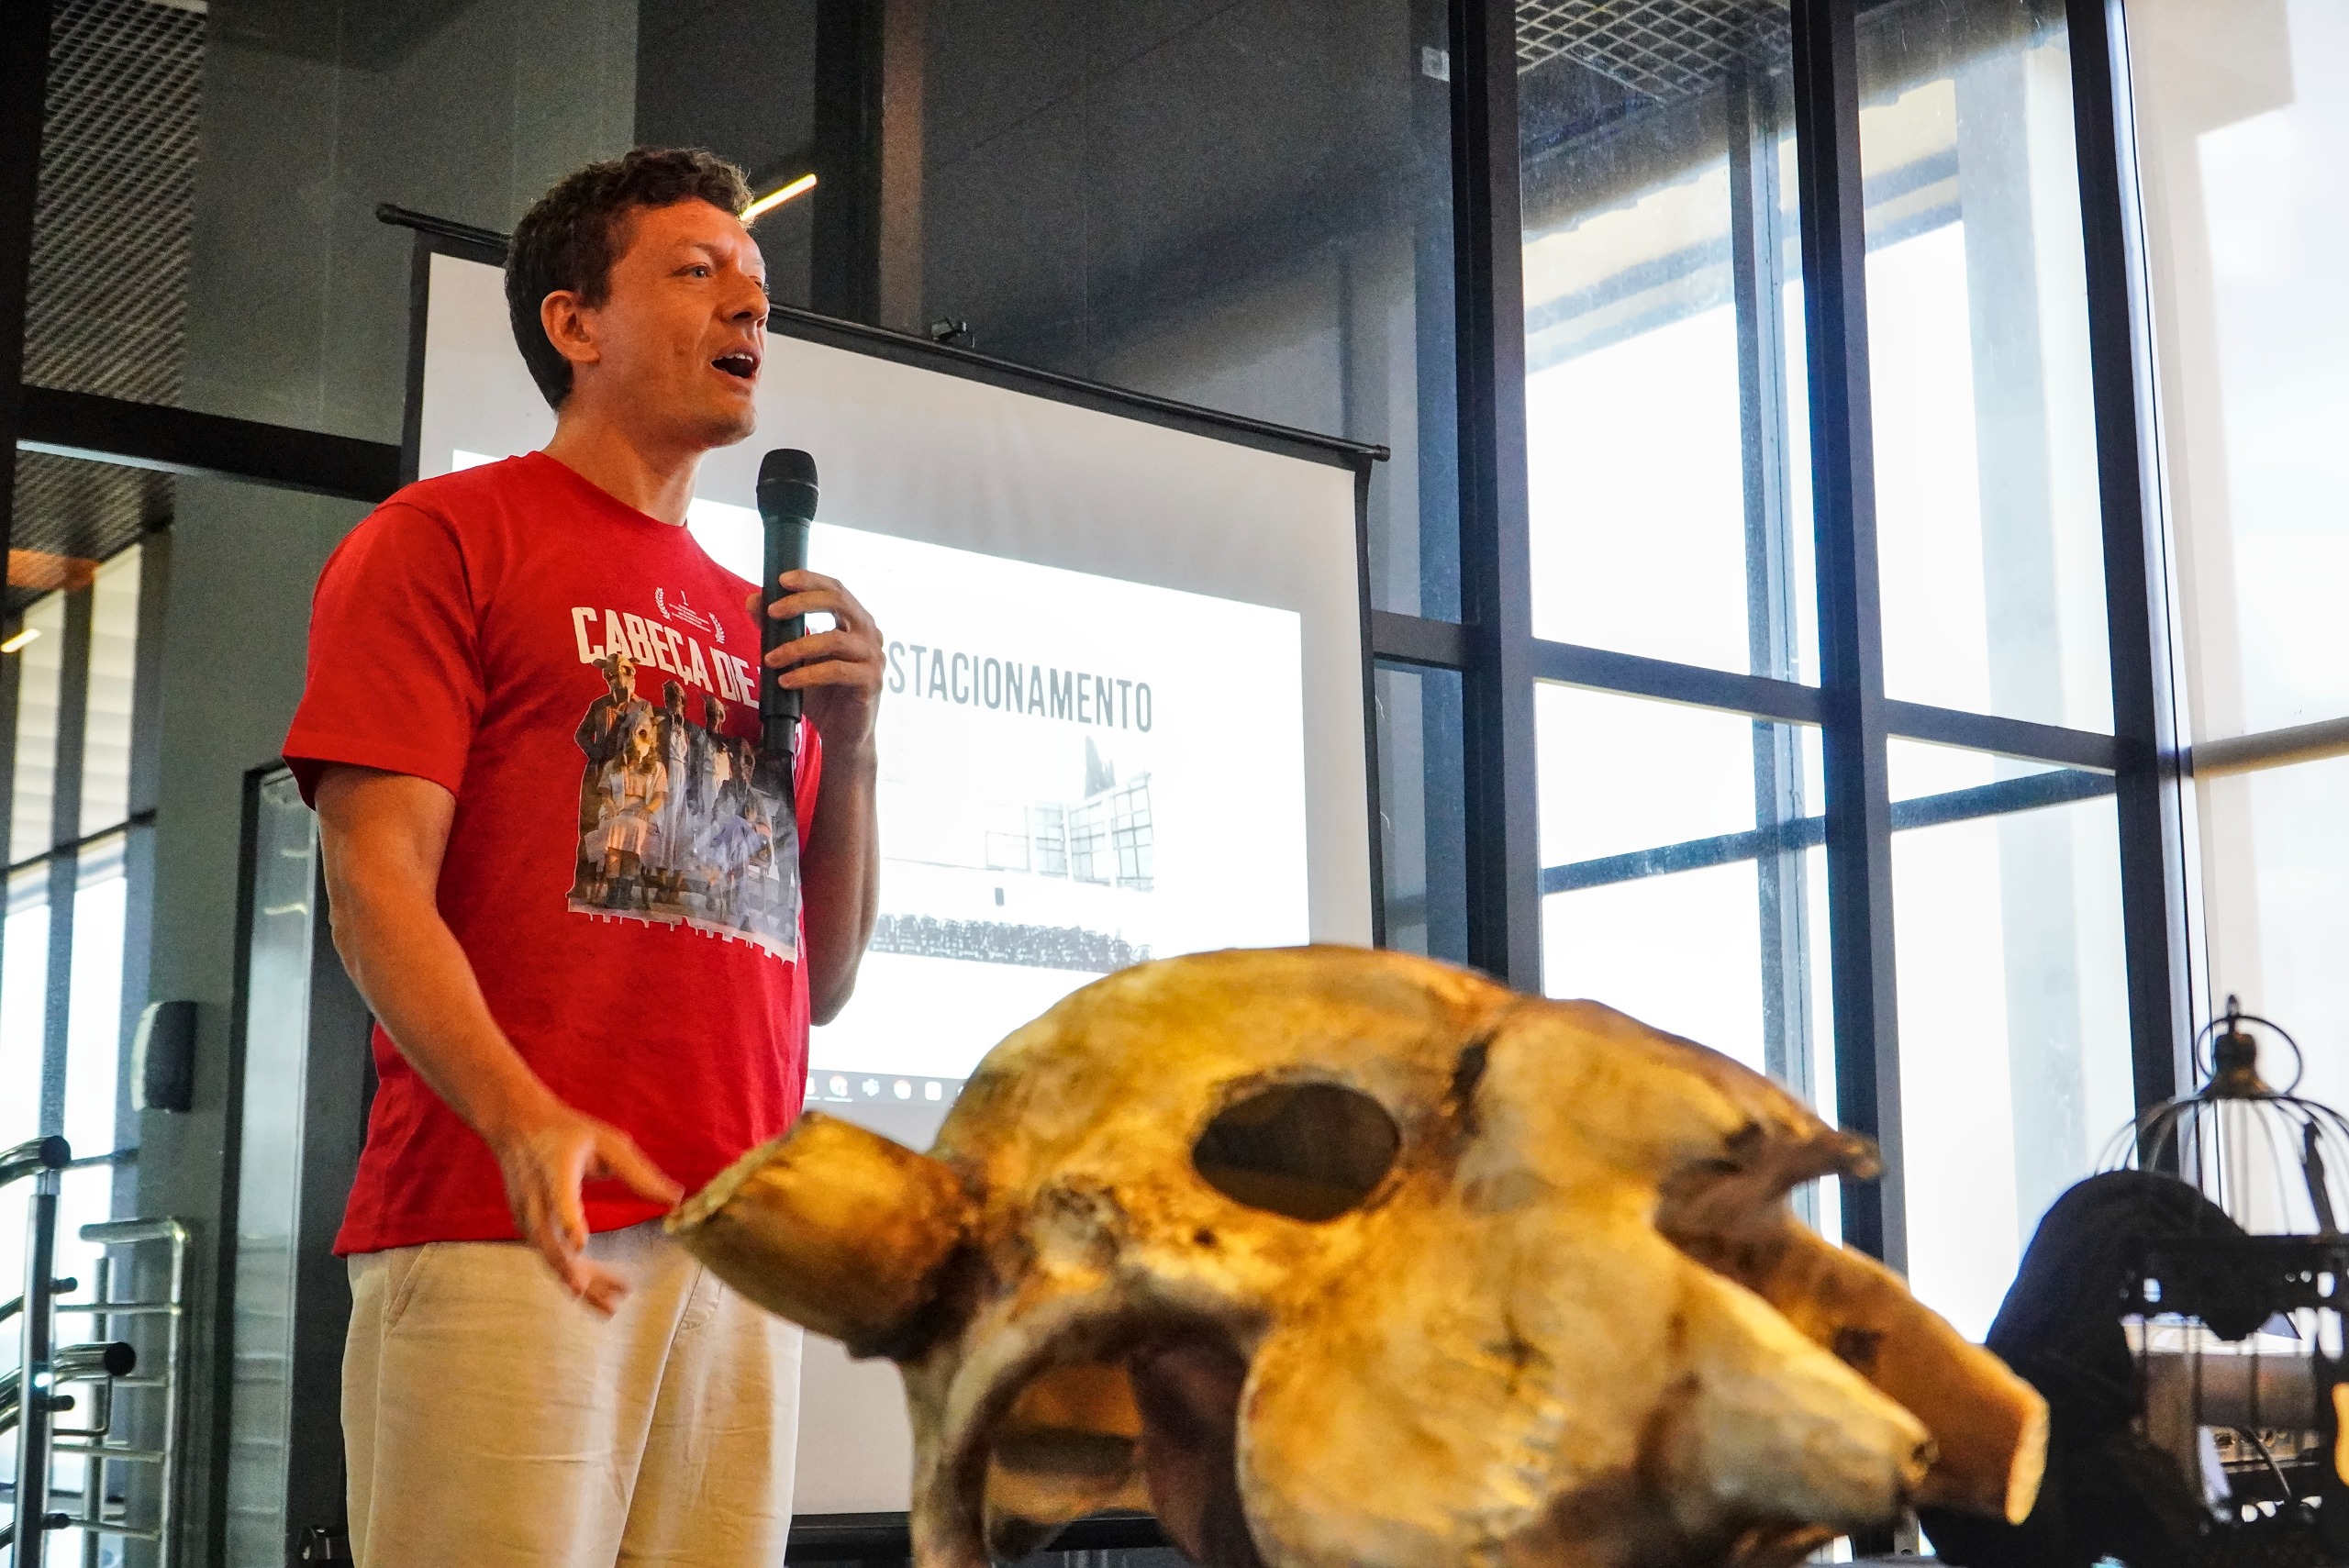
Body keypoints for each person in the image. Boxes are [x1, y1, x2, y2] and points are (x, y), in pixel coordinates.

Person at [282, 147, 884, 1568]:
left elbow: (816, 983)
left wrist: (854, 750)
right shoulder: (447, 538)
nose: (749, 304)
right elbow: (374, 887)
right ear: (575, 323)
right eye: (699, 271)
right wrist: (517, 1115)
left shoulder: (757, 618)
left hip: (738, 1242)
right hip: (510, 1217)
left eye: (757, 283)